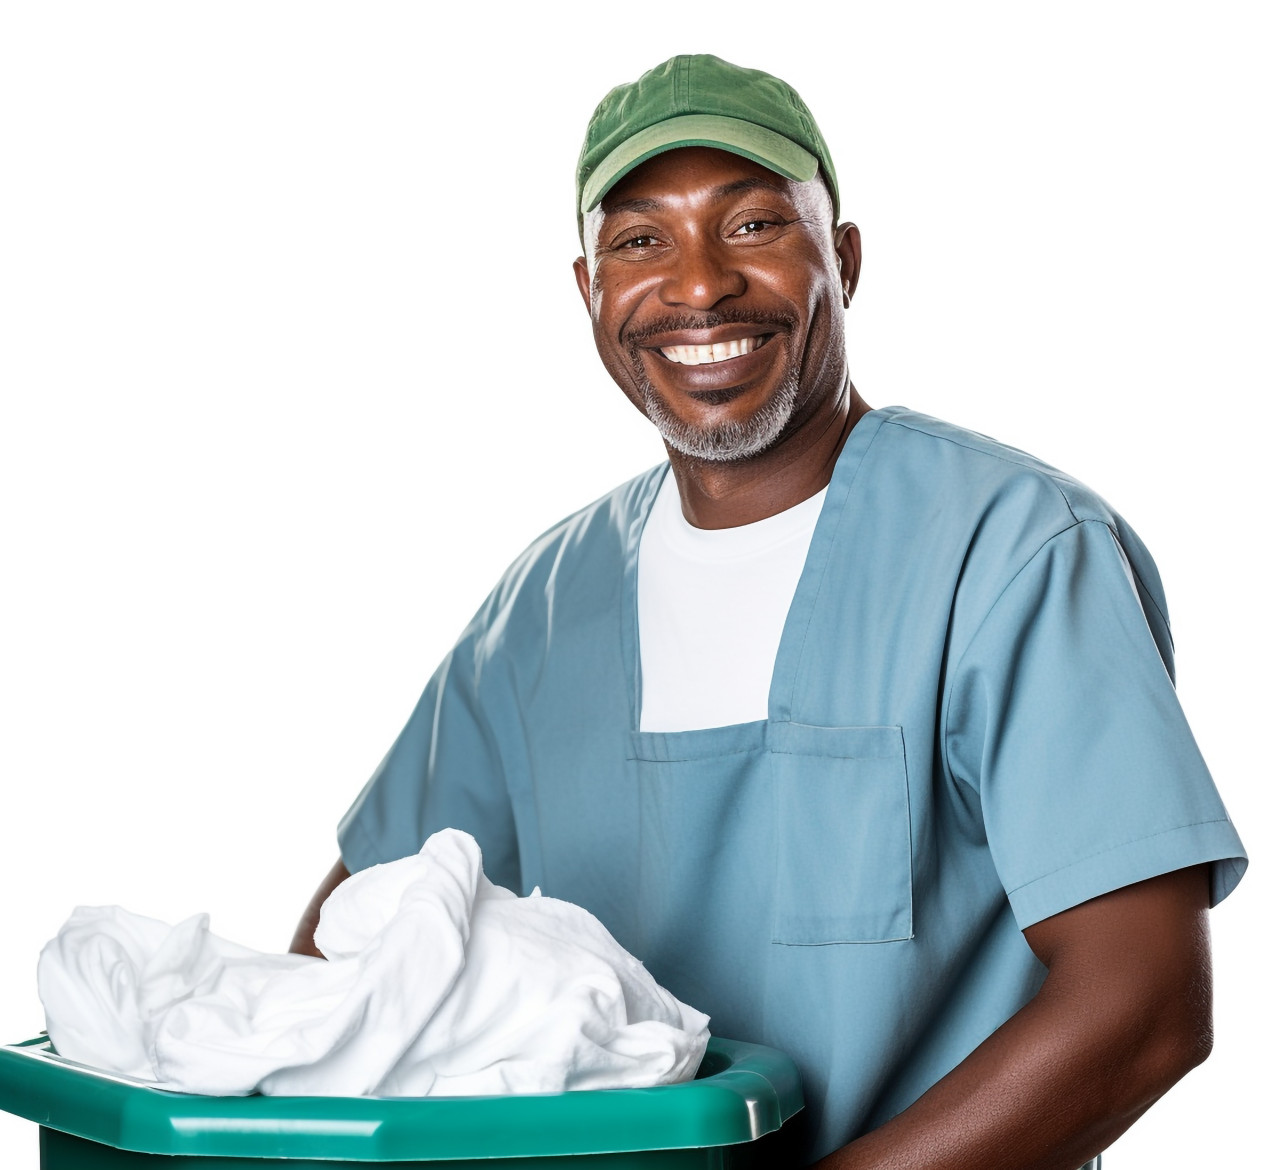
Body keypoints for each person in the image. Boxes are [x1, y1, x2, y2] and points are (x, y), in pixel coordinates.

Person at [291, 55, 1246, 1169]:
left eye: (751, 225)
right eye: (640, 240)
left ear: (840, 258)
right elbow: (348, 953)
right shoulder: (541, 612)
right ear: (587, 290)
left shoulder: (1008, 549)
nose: (698, 287)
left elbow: (1139, 1011)